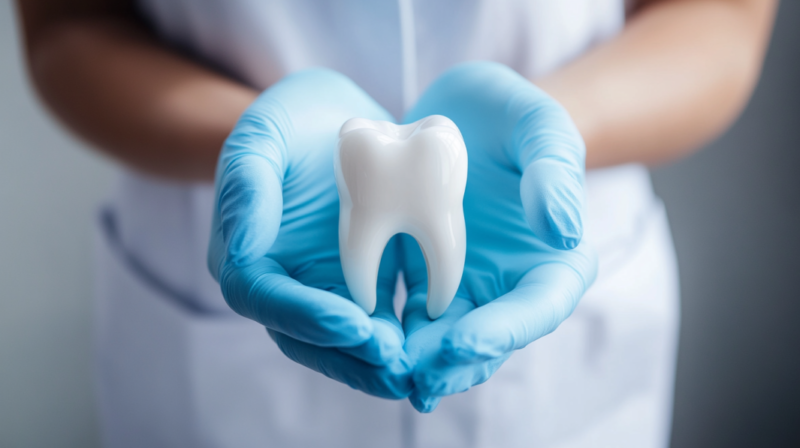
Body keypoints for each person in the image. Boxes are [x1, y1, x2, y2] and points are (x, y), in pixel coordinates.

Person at [17, 0, 776, 447]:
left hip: (547, 276)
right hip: (211, 332)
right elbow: (65, 23)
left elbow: (721, 13)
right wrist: (248, 142)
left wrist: (555, 133)